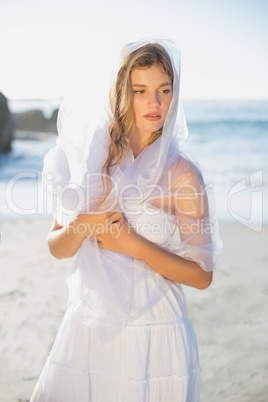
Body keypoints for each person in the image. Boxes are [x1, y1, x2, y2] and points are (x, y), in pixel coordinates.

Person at [31, 37, 222, 402]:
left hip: (156, 330)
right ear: (122, 93)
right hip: (89, 326)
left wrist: (133, 245)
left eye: (164, 90)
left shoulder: (183, 175)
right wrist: (84, 222)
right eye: (141, 90)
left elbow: (202, 275)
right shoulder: (93, 160)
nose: (155, 103)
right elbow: (57, 247)